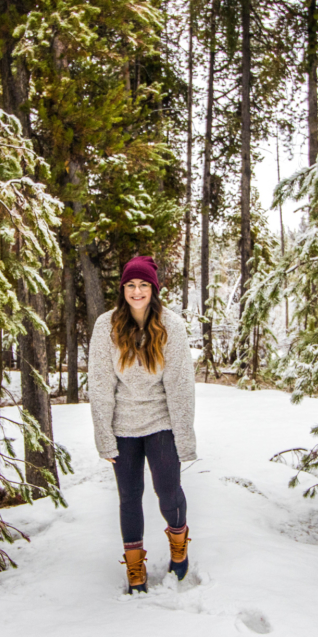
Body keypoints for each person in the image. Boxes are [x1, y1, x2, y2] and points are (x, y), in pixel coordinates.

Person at [89, 255, 197, 594]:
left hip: (161, 420)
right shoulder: (106, 326)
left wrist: (184, 437)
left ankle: (179, 545)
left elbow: (180, 386)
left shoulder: (172, 326)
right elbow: (100, 385)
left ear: (154, 289)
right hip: (123, 426)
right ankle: (135, 568)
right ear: (123, 289)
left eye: (144, 285)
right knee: (129, 497)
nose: (137, 291)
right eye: (131, 285)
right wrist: (104, 437)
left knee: (167, 491)